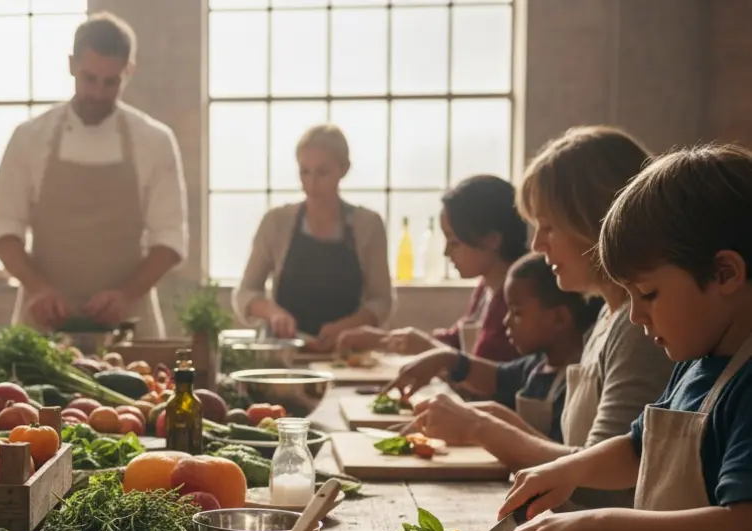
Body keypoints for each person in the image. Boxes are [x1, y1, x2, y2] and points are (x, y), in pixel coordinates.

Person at [496, 144, 752, 531]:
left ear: (725, 273)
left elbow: (743, 530)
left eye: (650, 294)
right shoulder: (697, 360)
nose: (635, 316)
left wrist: (597, 521)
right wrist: (569, 470)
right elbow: (639, 448)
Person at [399, 126, 672, 531]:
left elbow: (600, 486)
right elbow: (586, 456)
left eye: (548, 226)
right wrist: (502, 423)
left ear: (600, 221)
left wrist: (481, 426)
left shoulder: (639, 327)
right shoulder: (608, 316)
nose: (536, 244)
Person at [0, 12, 188, 338]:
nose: (98, 92)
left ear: (130, 71)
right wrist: (39, 288)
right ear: (71, 65)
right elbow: (4, 232)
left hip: (129, 323)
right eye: (89, 78)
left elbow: (169, 239)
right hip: (42, 323)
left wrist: (127, 294)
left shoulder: (154, 141)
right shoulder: (29, 138)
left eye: (111, 82)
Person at [382, 254, 600, 448]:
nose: (506, 321)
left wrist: (488, 423)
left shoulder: (577, 381)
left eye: (517, 313)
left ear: (559, 318)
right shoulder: (536, 366)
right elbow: (494, 377)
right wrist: (444, 358)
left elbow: (564, 459)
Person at [233, 124, 392, 350]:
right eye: (304, 172)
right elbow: (246, 293)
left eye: (322, 172)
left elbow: (382, 300)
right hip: (286, 353)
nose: (312, 183)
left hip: (347, 354)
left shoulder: (368, 225)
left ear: (344, 169)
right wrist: (274, 314)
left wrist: (347, 327)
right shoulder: (276, 223)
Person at [336, 175, 527, 361]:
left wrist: (421, 346)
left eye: (454, 242)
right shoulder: (487, 288)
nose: (445, 252)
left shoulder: (517, 298)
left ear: (492, 239)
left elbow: (488, 368)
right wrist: (383, 340)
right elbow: (455, 341)